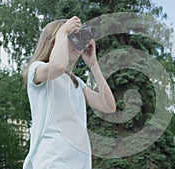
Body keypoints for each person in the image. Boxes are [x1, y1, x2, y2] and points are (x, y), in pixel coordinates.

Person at [22, 16, 116, 169]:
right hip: (52, 161)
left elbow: (109, 106)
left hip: (79, 162)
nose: (76, 42)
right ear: (54, 42)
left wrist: (93, 64)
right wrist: (63, 31)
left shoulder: (77, 83)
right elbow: (58, 66)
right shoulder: (38, 70)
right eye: (71, 38)